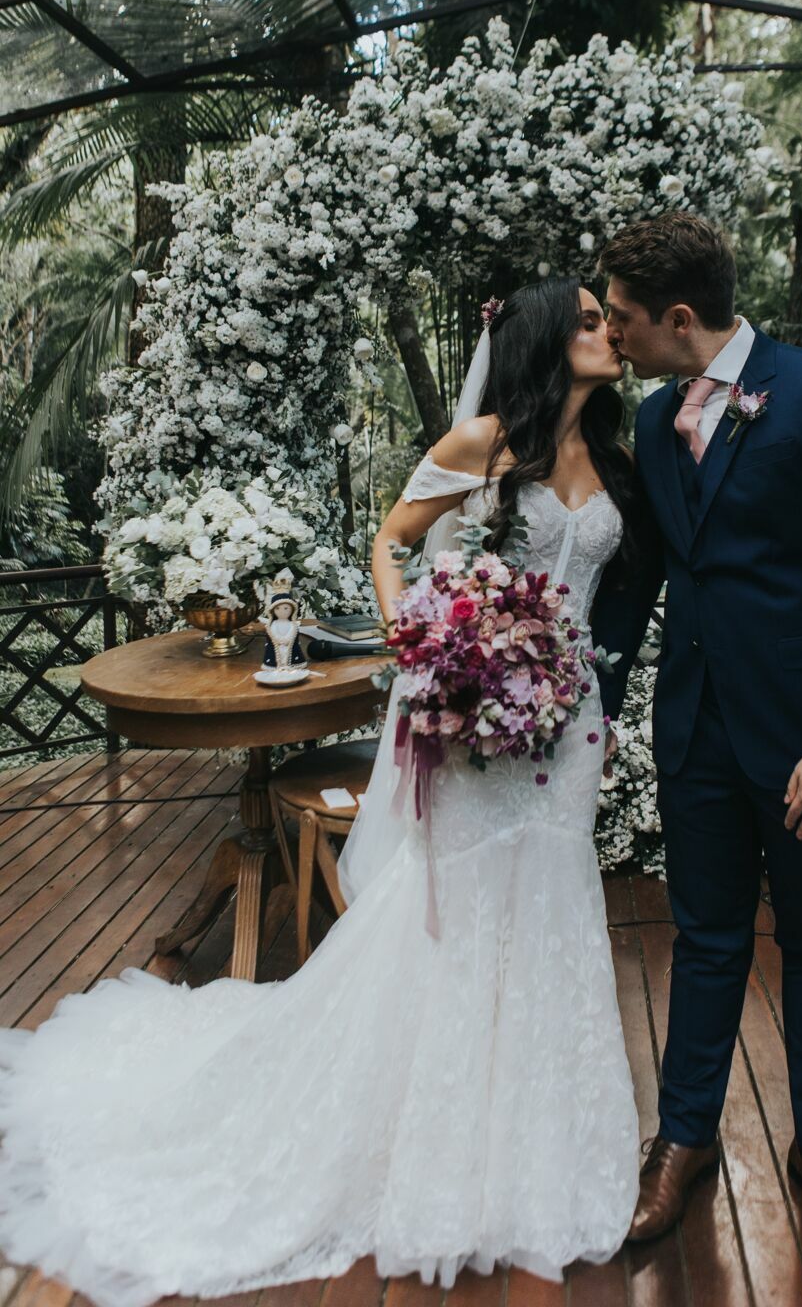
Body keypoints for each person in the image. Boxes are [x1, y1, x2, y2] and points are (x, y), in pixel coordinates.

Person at [0, 280, 641, 1306]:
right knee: (463, 915)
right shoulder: (480, 443)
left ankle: (533, 1138)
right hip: (468, 715)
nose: (610, 330)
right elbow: (391, 541)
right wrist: (421, 640)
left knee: (552, 911)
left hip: (567, 726)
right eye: (591, 319)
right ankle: (434, 1137)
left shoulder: (613, 459)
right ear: (545, 340)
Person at [590, 212, 802, 1280]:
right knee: (704, 938)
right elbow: (644, 574)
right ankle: (682, 1140)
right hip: (693, 730)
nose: (613, 333)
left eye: (624, 317)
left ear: (680, 317)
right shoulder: (653, 419)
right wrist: (585, 701)